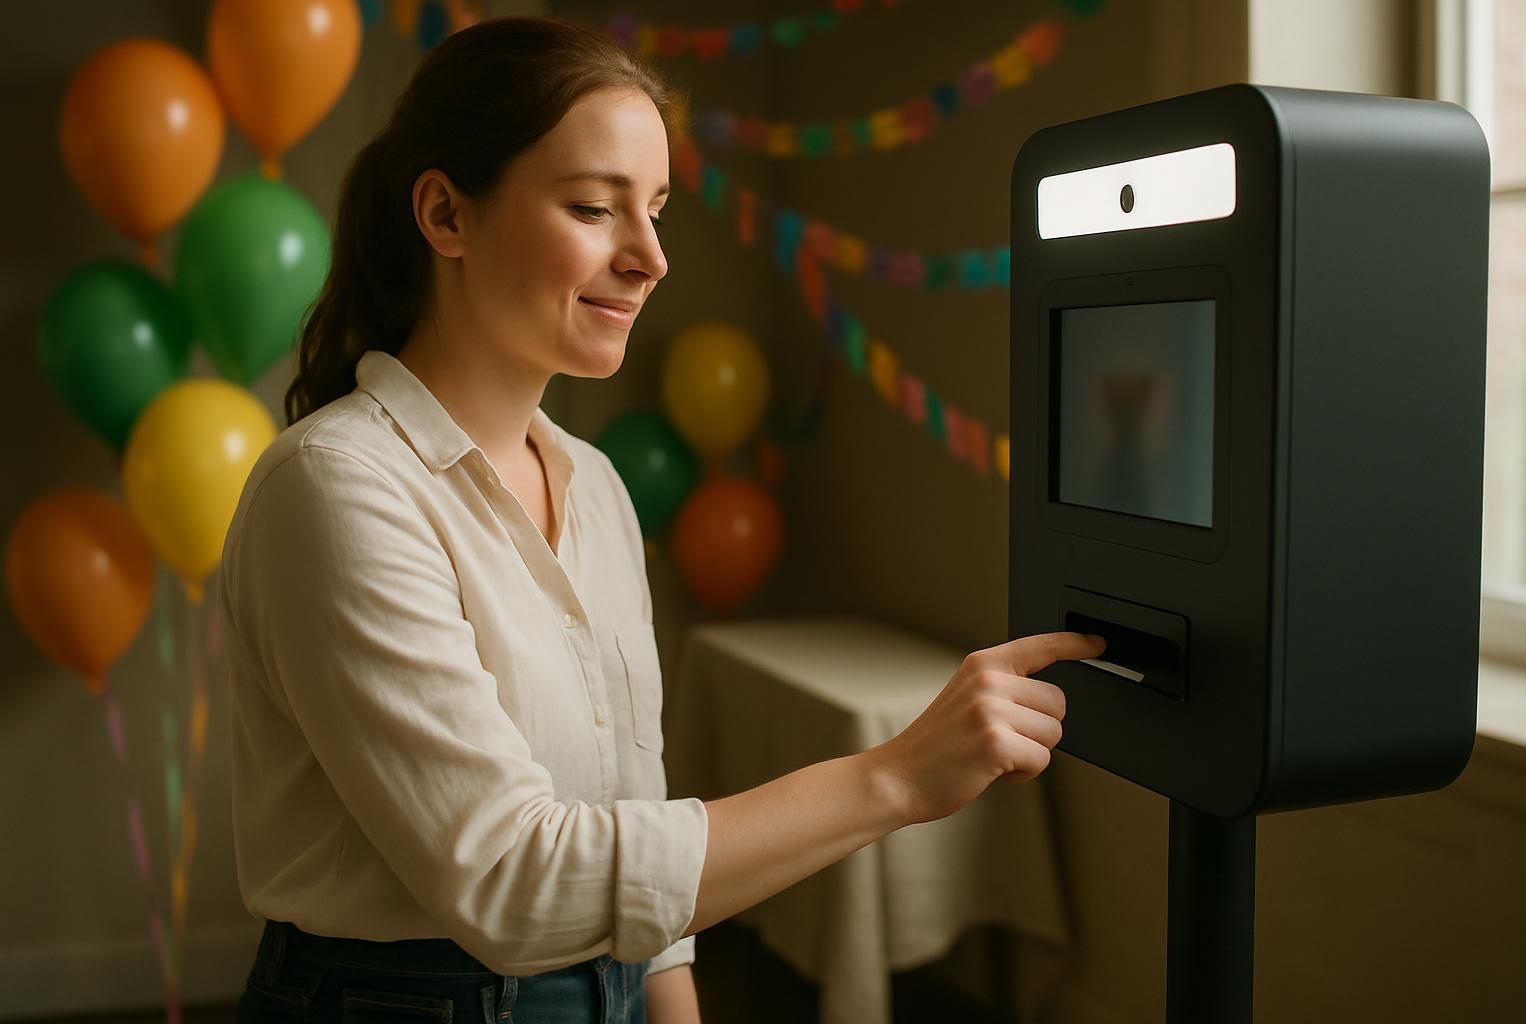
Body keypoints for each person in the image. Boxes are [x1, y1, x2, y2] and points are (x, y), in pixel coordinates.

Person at [221, 15, 1106, 1024]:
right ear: (444, 214)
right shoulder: (337, 488)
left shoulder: (595, 485)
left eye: (657, 210)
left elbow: (635, 820)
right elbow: (511, 875)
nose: (651, 257)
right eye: (595, 208)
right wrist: (894, 778)